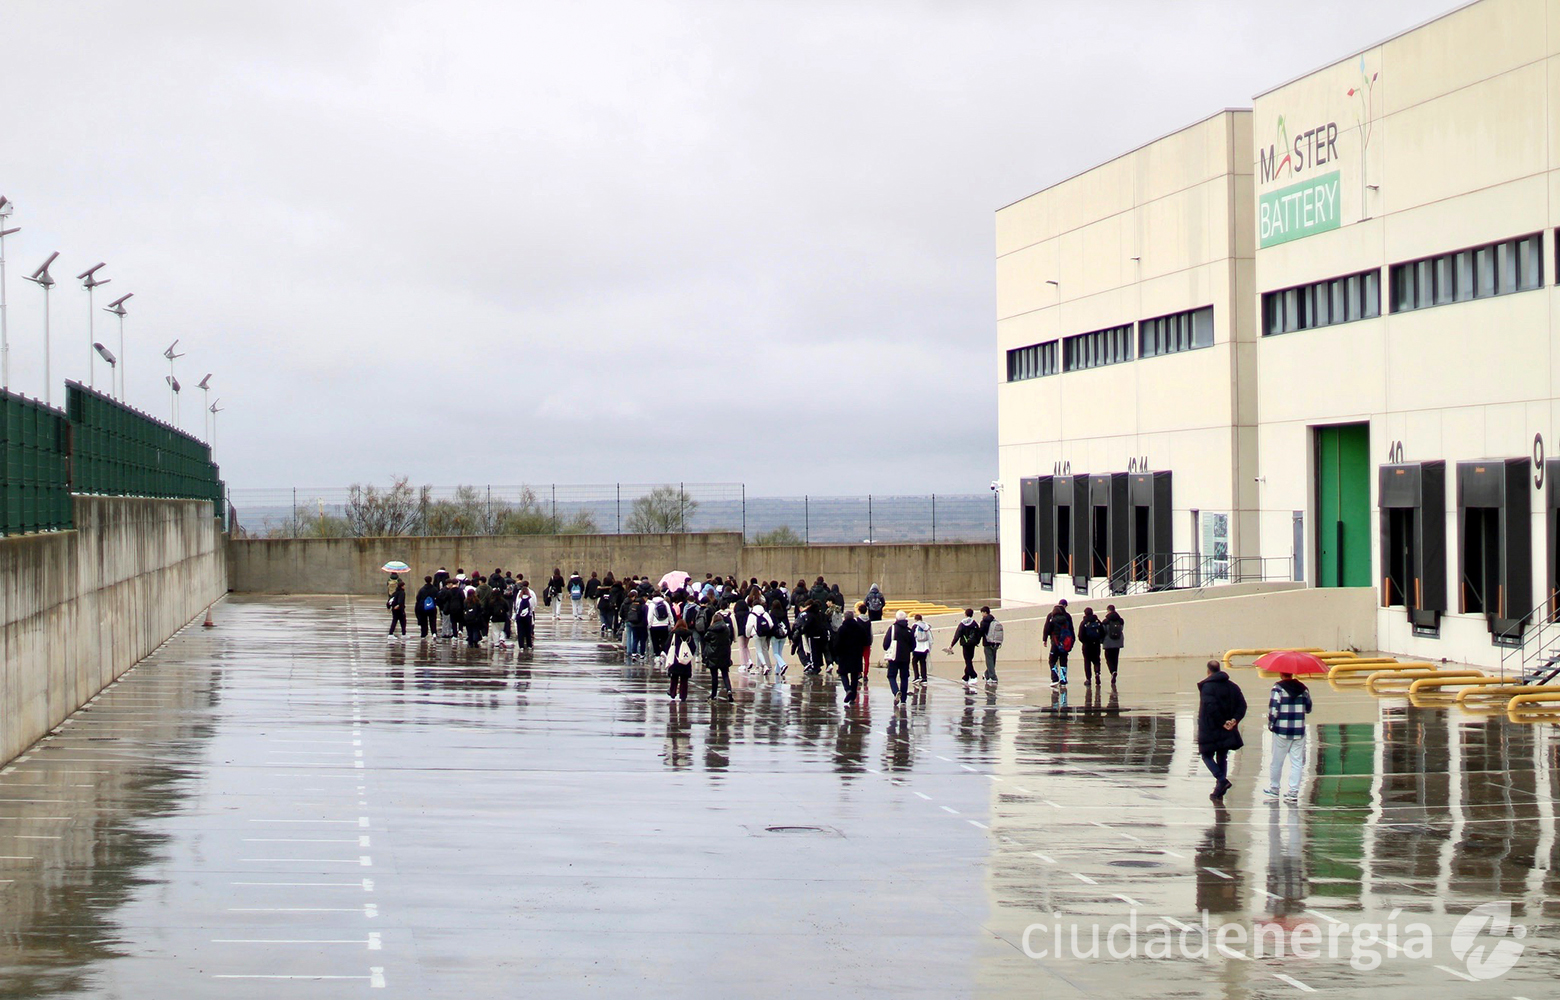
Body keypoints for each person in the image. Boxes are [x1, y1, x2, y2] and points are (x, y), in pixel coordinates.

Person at [1197, 660, 1247, 800]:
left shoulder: (1207, 687)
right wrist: (1234, 720)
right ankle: (1219, 790)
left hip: (1210, 729)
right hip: (1227, 728)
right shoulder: (1233, 686)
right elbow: (1242, 705)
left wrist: (1222, 722)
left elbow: (1210, 707)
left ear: (1208, 671)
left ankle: (1221, 780)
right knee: (1222, 756)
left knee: (1206, 755)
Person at [1265, 672, 1313, 804]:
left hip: (1282, 730)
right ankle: (1293, 792)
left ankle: (1274, 789)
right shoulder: (1303, 689)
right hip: (1299, 730)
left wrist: (1271, 724)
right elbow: (1308, 708)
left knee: (1277, 761)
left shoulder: (1277, 688)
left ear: (1281, 674)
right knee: (1297, 762)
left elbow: (1274, 709)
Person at [832, 606, 870, 705]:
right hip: (856, 655)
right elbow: (866, 640)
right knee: (854, 676)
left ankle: (847, 689)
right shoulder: (859, 628)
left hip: (844, 655)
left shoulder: (842, 629)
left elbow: (837, 643)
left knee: (843, 673)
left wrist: (836, 653)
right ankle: (853, 697)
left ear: (844, 618)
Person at [882, 610, 914, 706]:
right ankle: (903, 700)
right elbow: (913, 645)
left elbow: (885, 644)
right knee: (904, 677)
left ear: (896, 619)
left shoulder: (892, 629)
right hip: (905, 657)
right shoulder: (909, 630)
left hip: (894, 657)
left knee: (891, 676)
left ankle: (896, 691)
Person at [703, 607, 735, 701]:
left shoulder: (711, 630)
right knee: (725, 674)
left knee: (714, 676)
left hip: (713, 654)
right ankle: (729, 690)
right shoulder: (726, 629)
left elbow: (706, 638)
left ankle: (713, 694)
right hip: (724, 654)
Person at [1041, 602, 1074, 688]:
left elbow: (1046, 629)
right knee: (1063, 660)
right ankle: (1063, 679)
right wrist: (1072, 642)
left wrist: (1044, 639)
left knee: (1052, 660)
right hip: (1065, 643)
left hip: (1055, 643)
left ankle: (1055, 679)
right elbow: (1071, 629)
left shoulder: (1051, 616)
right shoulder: (1067, 616)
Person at [949, 609, 981, 689]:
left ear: (965, 614)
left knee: (967, 660)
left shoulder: (962, 624)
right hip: (972, 644)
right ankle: (966, 677)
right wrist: (977, 642)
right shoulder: (974, 623)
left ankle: (973, 676)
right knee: (969, 659)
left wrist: (952, 645)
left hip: (965, 644)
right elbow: (978, 633)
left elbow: (957, 635)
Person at [667, 621, 696, 701]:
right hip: (685, 659)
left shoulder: (673, 634)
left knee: (674, 677)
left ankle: (672, 692)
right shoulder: (689, 634)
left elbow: (667, 645)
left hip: (675, 658)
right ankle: (683, 696)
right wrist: (689, 655)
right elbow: (693, 647)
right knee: (684, 678)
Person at [1078, 608, 1105, 687]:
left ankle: (1088, 679)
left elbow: (1080, 636)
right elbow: (1102, 633)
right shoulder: (1097, 621)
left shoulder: (1084, 623)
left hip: (1087, 645)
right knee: (1096, 660)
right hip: (1096, 644)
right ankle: (1097, 673)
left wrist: (1085, 642)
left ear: (1085, 613)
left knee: (1087, 661)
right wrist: (1098, 640)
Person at [979, 606, 1003, 686]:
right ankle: (987, 674)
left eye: (982, 613)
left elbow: (981, 632)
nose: (982, 614)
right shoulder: (994, 620)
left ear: (985, 612)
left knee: (989, 661)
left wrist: (976, 641)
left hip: (987, 643)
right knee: (992, 661)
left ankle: (993, 678)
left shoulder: (984, 622)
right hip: (995, 643)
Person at [766, 598, 790, 678]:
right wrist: (790, 636)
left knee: (775, 653)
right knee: (779, 653)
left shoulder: (772, 614)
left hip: (775, 635)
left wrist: (768, 636)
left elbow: (771, 625)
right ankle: (777, 670)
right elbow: (787, 624)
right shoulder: (784, 613)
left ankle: (783, 665)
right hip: (783, 635)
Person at [1102, 605, 1125, 684]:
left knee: (1108, 658)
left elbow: (1103, 631)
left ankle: (1112, 671)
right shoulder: (1121, 620)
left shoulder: (1105, 621)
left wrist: (1102, 641)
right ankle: (1115, 671)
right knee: (1115, 658)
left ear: (1108, 610)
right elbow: (1121, 629)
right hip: (1118, 641)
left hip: (1108, 642)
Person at [910, 613, 932, 689]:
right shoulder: (926, 626)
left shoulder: (915, 626)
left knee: (914, 662)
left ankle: (916, 676)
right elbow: (930, 637)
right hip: (925, 647)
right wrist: (929, 647)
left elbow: (912, 636)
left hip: (917, 647)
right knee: (923, 662)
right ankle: (924, 678)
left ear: (915, 619)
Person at [513, 580, 536, 651]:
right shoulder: (530, 598)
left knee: (520, 631)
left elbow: (517, 606)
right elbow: (532, 607)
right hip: (527, 617)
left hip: (519, 617)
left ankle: (521, 646)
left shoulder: (519, 598)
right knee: (528, 631)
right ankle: (529, 645)